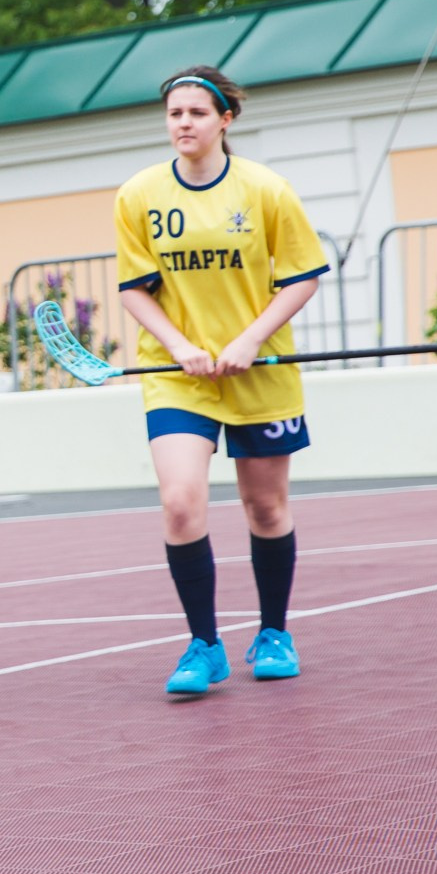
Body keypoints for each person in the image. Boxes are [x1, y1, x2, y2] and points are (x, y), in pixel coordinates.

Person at [114, 66, 328, 695]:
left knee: (265, 506)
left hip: (259, 370)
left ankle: (273, 631)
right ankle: (203, 644)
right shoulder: (138, 195)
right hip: (178, 375)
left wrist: (249, 339)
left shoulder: (267, 190)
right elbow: (135, 290)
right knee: (180, 501)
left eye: (197, 113)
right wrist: (181, 347)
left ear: (225, 120)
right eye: (174, 113)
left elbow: (302, 277)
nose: (184, 123)